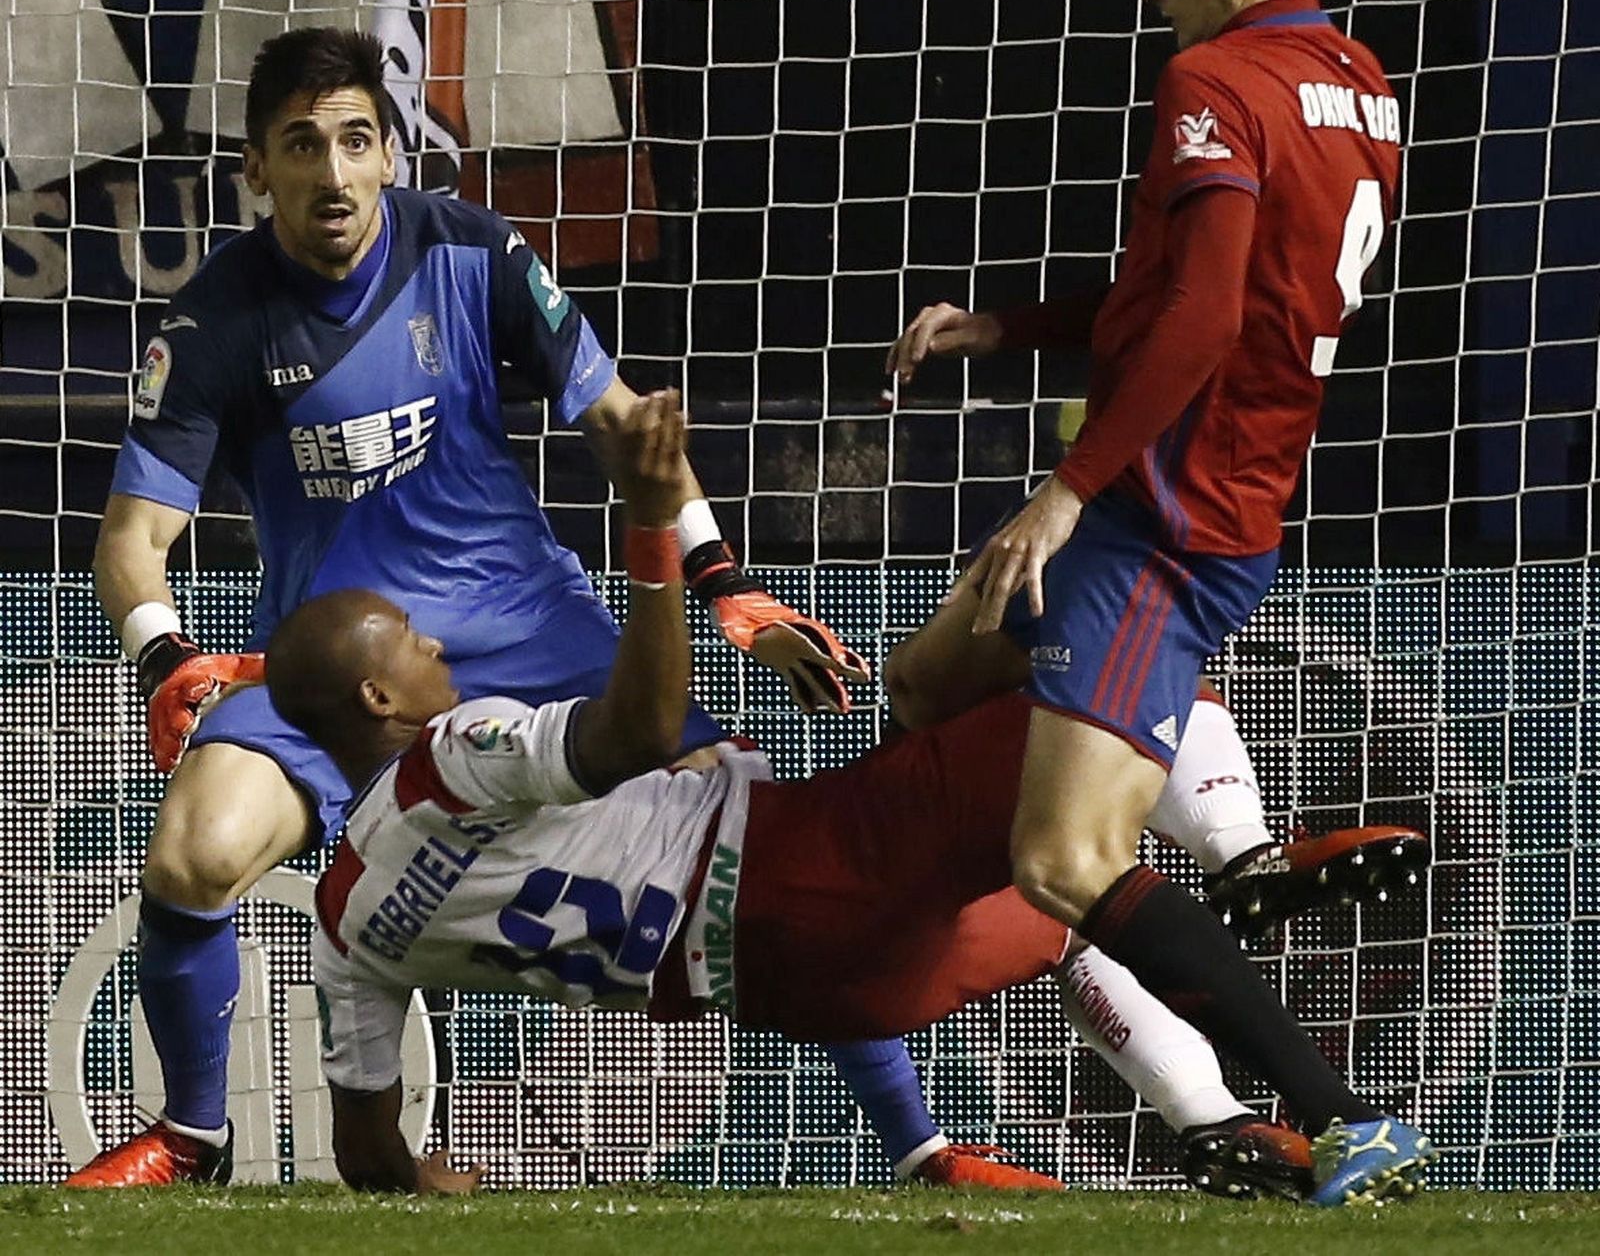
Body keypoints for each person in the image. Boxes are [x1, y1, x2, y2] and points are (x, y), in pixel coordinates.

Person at [68, 25, 977, 1190]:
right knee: (193, 854)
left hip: (524, 625)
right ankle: (193, 1135)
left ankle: (920, 1142)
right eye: (302, 146)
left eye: (356, 139)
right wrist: (166, 659)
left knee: (752, 838)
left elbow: (623, 427)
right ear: (256, 169)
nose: (333, 171)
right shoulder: (210, 321)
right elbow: (132, 543)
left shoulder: (476, 250)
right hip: (340, 669)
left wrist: (725, 579)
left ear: (392, 154)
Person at [268, 390, 1381, 1205]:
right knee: (1114, 694)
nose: (432, 641)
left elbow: (368, 1151)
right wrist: (654, 525)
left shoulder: (344, 923)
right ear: (378, 694)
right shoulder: (453, 751)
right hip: (810, 862)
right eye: (408, 639)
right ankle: (1247, 874)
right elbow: (640, 726)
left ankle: (1215, 1120)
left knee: (1066, 889)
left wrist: (432, 1182)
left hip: (821, 992)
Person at [883, 0, 1435, 1206]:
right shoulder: (1360, 87)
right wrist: (1001, 327)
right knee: (930, 678)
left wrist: (1069, 496)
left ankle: (1330, 1108)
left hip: (1160, 516)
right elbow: (1203, 293)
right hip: (1235, 494)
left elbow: (1201, 316)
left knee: (1061, 857)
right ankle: (1222, 855)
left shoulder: (1213, 79)